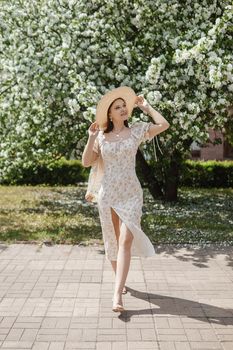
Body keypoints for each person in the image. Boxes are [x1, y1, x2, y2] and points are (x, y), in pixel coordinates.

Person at [82, 86, 170, 312]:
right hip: (108, 194)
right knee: (112, 240)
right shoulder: (101, 136)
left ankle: (116, 295)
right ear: (109, 114)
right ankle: (121, 283)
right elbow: (86, 162)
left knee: (125, 241)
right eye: (117, 107)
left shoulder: (138, 130)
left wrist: (146, 107)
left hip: (131, 194)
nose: (122, 109)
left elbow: (164, 125)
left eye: (124, 106)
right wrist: (91, 138)